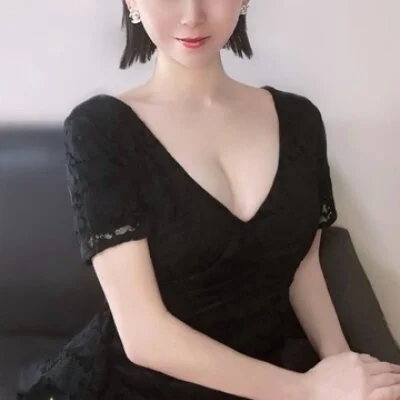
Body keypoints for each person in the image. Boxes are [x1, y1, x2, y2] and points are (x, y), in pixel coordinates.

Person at [17, 1, 400, 399]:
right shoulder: (100, 129)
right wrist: (308, 390)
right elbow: (144, 334)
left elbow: (302, 265)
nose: (192, 15)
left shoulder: (299, 119)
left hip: (275, 358)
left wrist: (342, 365)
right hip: (150, 383)